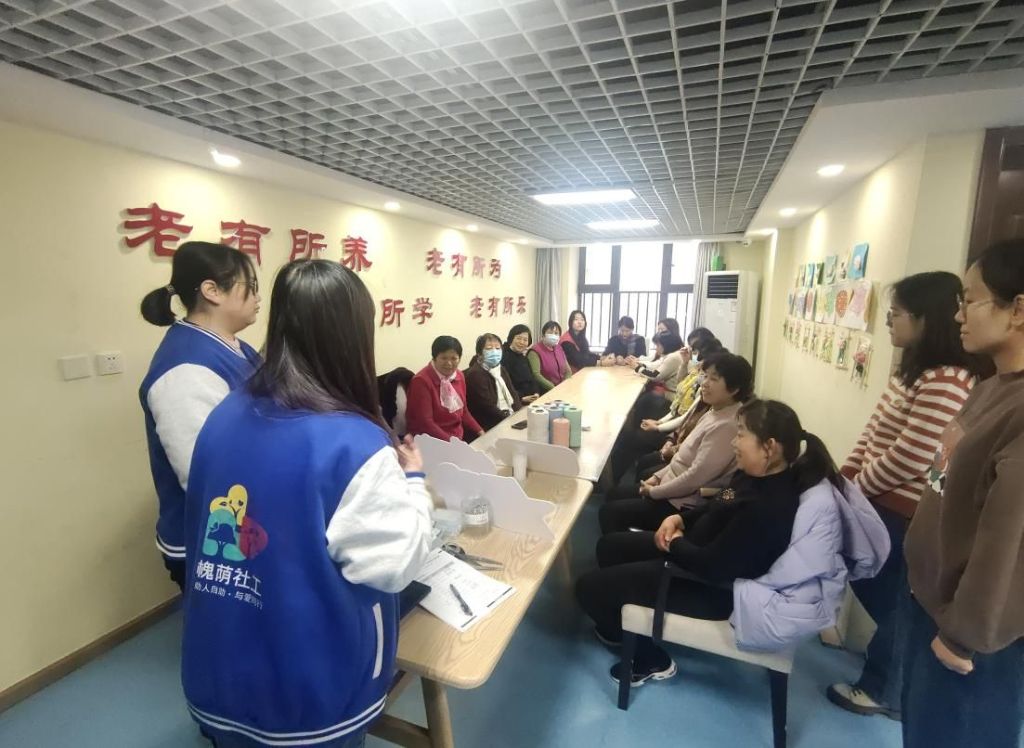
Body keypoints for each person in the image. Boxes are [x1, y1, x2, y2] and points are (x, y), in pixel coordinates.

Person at [181, 259, 432, 748]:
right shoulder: (353, 443)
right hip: (309, 692)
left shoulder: (224, 414)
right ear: (354, 337)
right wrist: (414, 481)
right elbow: (393, 567)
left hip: (220, 669)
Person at [576, 399, 840, 686]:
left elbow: (713, 565)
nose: (734, 443)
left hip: (704, 585)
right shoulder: (749, 477)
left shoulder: (767, 508)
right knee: (609, 547)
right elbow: (719, 502)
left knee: (587, 589)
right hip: (687, 551)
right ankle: (624, 620)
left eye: (741, 435)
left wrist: (675, 544)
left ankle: (652, 660)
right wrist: (680, 519)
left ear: (769, 447)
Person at [826, 272, 977, 721]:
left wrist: (855, 491)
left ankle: (884, 689)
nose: (889, 321)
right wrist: (844, 479)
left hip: (901, 511)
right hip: (875, 502)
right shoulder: (912, 370)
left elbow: (911, 456)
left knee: (894, 601)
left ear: (926, 319)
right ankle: (889, 674)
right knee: (874, 587)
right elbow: (872, 433)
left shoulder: (948, 379)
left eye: (897, 314)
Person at [902, 239, 1024, 748]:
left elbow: (1008, 541)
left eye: (969, 300)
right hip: (932, 603)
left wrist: (964, 635)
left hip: (969, 637)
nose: (957, 315)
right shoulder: (992, 386)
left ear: (1018, 310)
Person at [139, 241, 262, 591]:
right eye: (250, 285)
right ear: (212, 291)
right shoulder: (185, 370)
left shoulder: (233, 345)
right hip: (214, 538)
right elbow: (206, 476)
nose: (258, 297)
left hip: (246, 521)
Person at [602, 353, 753, 533]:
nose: (704, 383)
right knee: (614, 495)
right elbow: (683, 454)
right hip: (670, 484)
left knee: (609, 512)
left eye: (714, 379)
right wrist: (657, 477)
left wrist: (654, 492)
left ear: (734, 388)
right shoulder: (715, 410)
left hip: (681, 503)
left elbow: (696, 477)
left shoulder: (728, 425)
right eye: (705, 376)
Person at [406, 336, 484, 442]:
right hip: (430, 440)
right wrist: (453, 444)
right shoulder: (421, 381)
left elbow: (464, 411)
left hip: (456, 437)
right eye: (444, 358)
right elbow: (425, 423)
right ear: (434, 358)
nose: (449, 363)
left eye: (454, 358)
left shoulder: (459, 376)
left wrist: (480, 431)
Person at [464, 333, 523, 431]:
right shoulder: (475, 374)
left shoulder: (500, 368)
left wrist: (519, 413)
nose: (494, 352)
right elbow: (487, 406)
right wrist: (509, 419)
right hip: (490, 424)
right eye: (489, 349)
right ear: (479, 353)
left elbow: (512, 392)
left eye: (497, 348)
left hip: (507, 416)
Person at [528, 320, 572, 392]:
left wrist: (564, 384)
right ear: (543, 335)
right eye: (550, 333)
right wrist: (554, 388)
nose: (553, 335)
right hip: (545, 391)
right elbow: (536, 375)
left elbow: (568, 370)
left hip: (561, 388)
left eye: (556, 333)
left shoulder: (559, 348)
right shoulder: (535, 351)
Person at [502, 325, 540, 405]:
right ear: (511, 339)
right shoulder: (504, 357)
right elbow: (505, 386)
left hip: (531, 400)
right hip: (516, 402)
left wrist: (536, 392)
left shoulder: (523, 357)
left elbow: (532, 378)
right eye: (518, 338)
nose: (521, 342)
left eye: (525, 340)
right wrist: (521, 398)